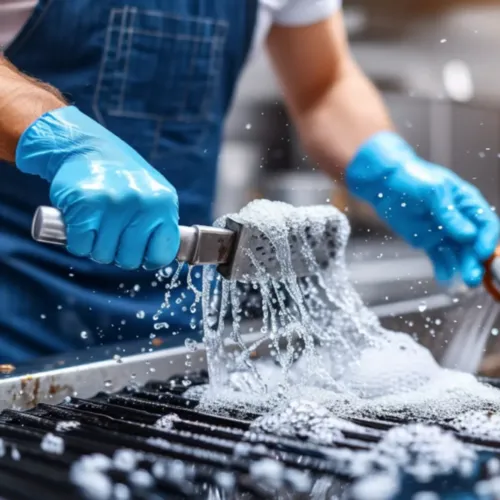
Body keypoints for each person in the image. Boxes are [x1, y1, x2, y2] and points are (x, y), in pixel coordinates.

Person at [0, 0, 497, 363]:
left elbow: (323, 83)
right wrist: (61, 140)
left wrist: (389, 168)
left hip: (172, 308)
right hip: (13, 298)